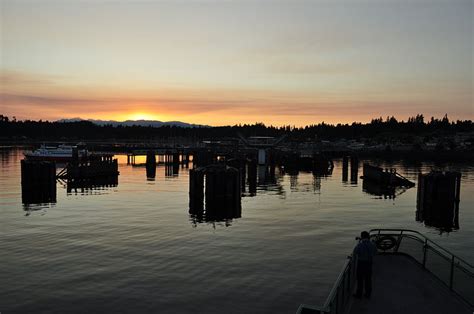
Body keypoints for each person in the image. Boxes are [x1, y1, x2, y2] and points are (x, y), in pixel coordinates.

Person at [353, 231, 377, 298]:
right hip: (369, 263)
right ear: (368, 237)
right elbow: (375, 253)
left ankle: (359, 294)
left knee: (360, 279)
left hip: (361, 264)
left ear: (362, 237)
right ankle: (368, 294)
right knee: (368, 279)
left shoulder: (360, 245)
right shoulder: (373, 244)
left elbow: (355, 253)